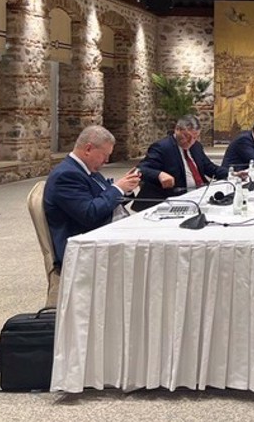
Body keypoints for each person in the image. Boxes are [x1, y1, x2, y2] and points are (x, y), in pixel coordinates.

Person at [43, 125, 141, 306]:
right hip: (84, 247)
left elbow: (104, 198)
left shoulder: (87, 170)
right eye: (105, 155)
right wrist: (117, 188)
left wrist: (125, 188)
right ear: (88, 149)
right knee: (149, 254)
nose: (107, 161)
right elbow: (90, 213)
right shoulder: (66, 175)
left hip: (103, 233)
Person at [132, 115, 223, 212]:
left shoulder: (196, 146)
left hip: (199, 195)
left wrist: (231, 173)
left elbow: (209, 167)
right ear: (177, 129)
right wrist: (159, 175)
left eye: (195, 137)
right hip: (172, 200)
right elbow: (141, 169)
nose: (191, 141)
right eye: (187, 136)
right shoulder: (162, 147)